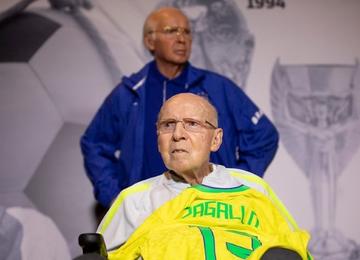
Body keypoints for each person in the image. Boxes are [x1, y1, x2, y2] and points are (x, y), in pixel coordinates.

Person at [80, 7, 279, 208]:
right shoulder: (129, 93)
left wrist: (235, 186)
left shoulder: (218, 88)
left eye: (186, 31)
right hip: (146, 216)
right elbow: (94, 144)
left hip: (207, 212)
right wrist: (115, 197)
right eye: (171, 31)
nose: (182, 38)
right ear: (150, 41)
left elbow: (264, 137)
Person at [96, 93, 311, 259]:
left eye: (192, 124)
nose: (178, 135)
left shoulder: (253, 188)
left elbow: (293, 252)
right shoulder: (134, 200)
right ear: (158, 138)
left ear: (216, 140)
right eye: (168, 125)